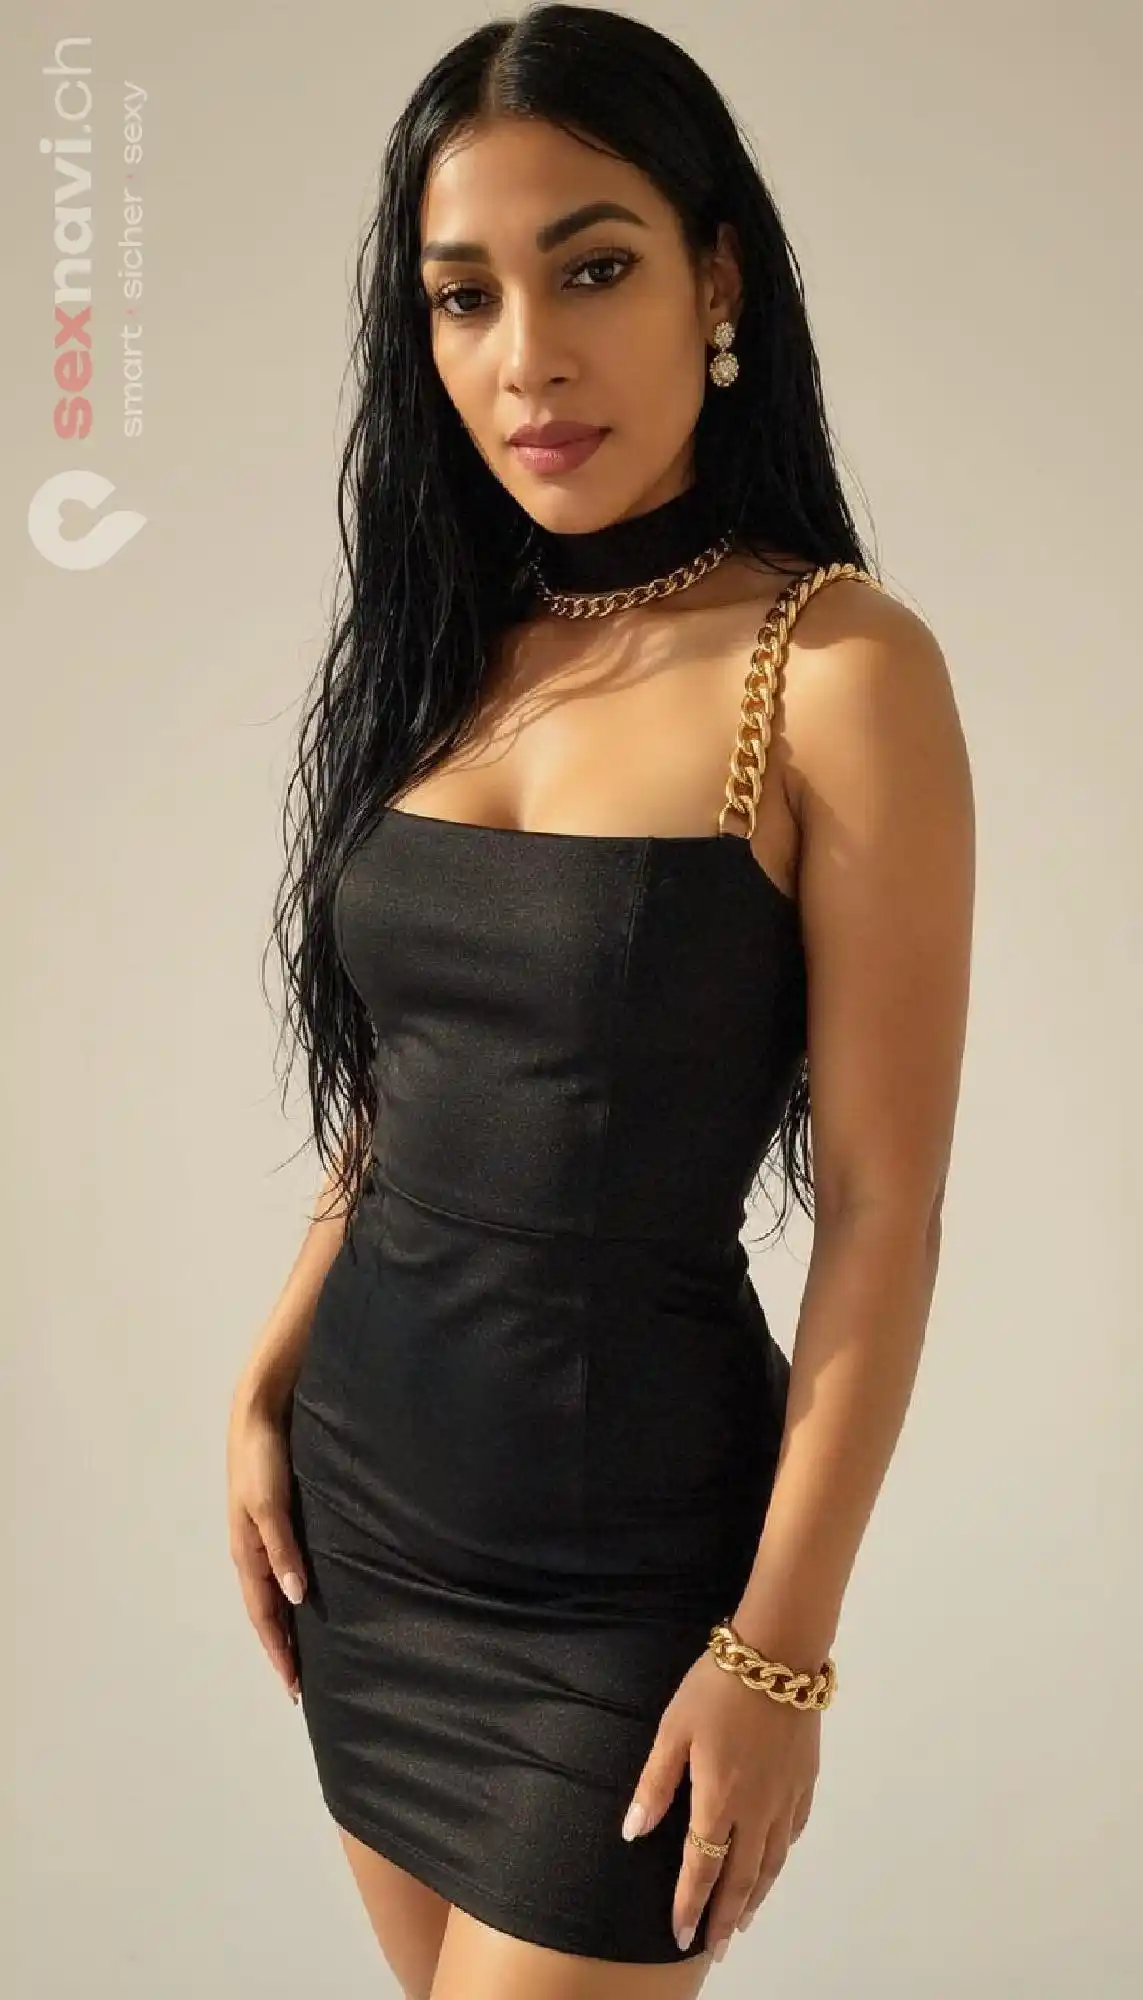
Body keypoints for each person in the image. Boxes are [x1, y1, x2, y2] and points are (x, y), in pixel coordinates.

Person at [225, 6, 975, 1996]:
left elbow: (883, 1208)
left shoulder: (834, 668)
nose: (525, 357)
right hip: (367, 1520)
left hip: (623, 1584)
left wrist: (778, 1649)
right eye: (463, 296)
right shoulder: (453, 644)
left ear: (716, 280)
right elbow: (415, 1070)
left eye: (593, 268)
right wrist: (267, 1369)